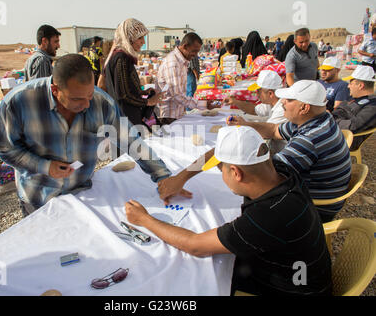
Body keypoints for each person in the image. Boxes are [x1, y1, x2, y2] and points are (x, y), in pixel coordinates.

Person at [127, 126, 332, 296]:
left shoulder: (268, 214)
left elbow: (195, 245)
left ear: (236, 172)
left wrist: (145, 219)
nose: (219, 169)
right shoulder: (277, 169)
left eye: (222, 169)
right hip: (299, 272)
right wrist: (181, 178)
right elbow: (216, 154)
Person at [0, 54, 172, 215]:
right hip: (38, 197)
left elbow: (132, 142)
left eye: (90, 96)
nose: (87, 105)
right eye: (77, 99)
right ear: (56, 90)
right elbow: (3, 146)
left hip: (82, 194)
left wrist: (163, 177)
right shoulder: (19, 102)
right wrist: (44, 166)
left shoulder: (101, 103)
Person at [226, 80, 351, 223]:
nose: (283, 102)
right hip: (320, 194)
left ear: (304, 108)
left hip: (316, 208)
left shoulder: (309, 140)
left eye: (289, 100)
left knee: (238, 192)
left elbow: (266, 177)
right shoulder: (320, 119)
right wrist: (246, 124)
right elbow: (274, 130)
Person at [104, 19, 161, 128]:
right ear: (129, 38)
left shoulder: (121, 56)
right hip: (125, 119)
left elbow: (123, 87)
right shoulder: (121, 58)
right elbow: (123, 95)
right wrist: (148, 102)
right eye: (140, 38)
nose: (143, 42)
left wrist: (140, 91)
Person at [224, 70, 288, 153]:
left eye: (258, 91)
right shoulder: (271, 102)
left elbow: (269, 131)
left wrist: (244, 124)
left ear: (270, 94)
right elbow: (254, 109)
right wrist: (235, 101)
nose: (256, 94)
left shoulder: (283, 108)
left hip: (282, 155)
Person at [156, 32, 207, 125]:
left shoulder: (182, 61)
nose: (195, 55)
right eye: (194, 51)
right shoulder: (173, 63)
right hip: (169, 116)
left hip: (177, 113)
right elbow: (177, 95)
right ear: (185, 46)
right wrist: (203, 104)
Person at [334, 65, 376, 150]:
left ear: (360, 85)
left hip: (346, 139)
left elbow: (354, 126)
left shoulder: (373, 106)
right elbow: (338, 111)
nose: (348, 86)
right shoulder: (354, 98)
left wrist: (332, 122)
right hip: (335, 131)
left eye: (351, 83)